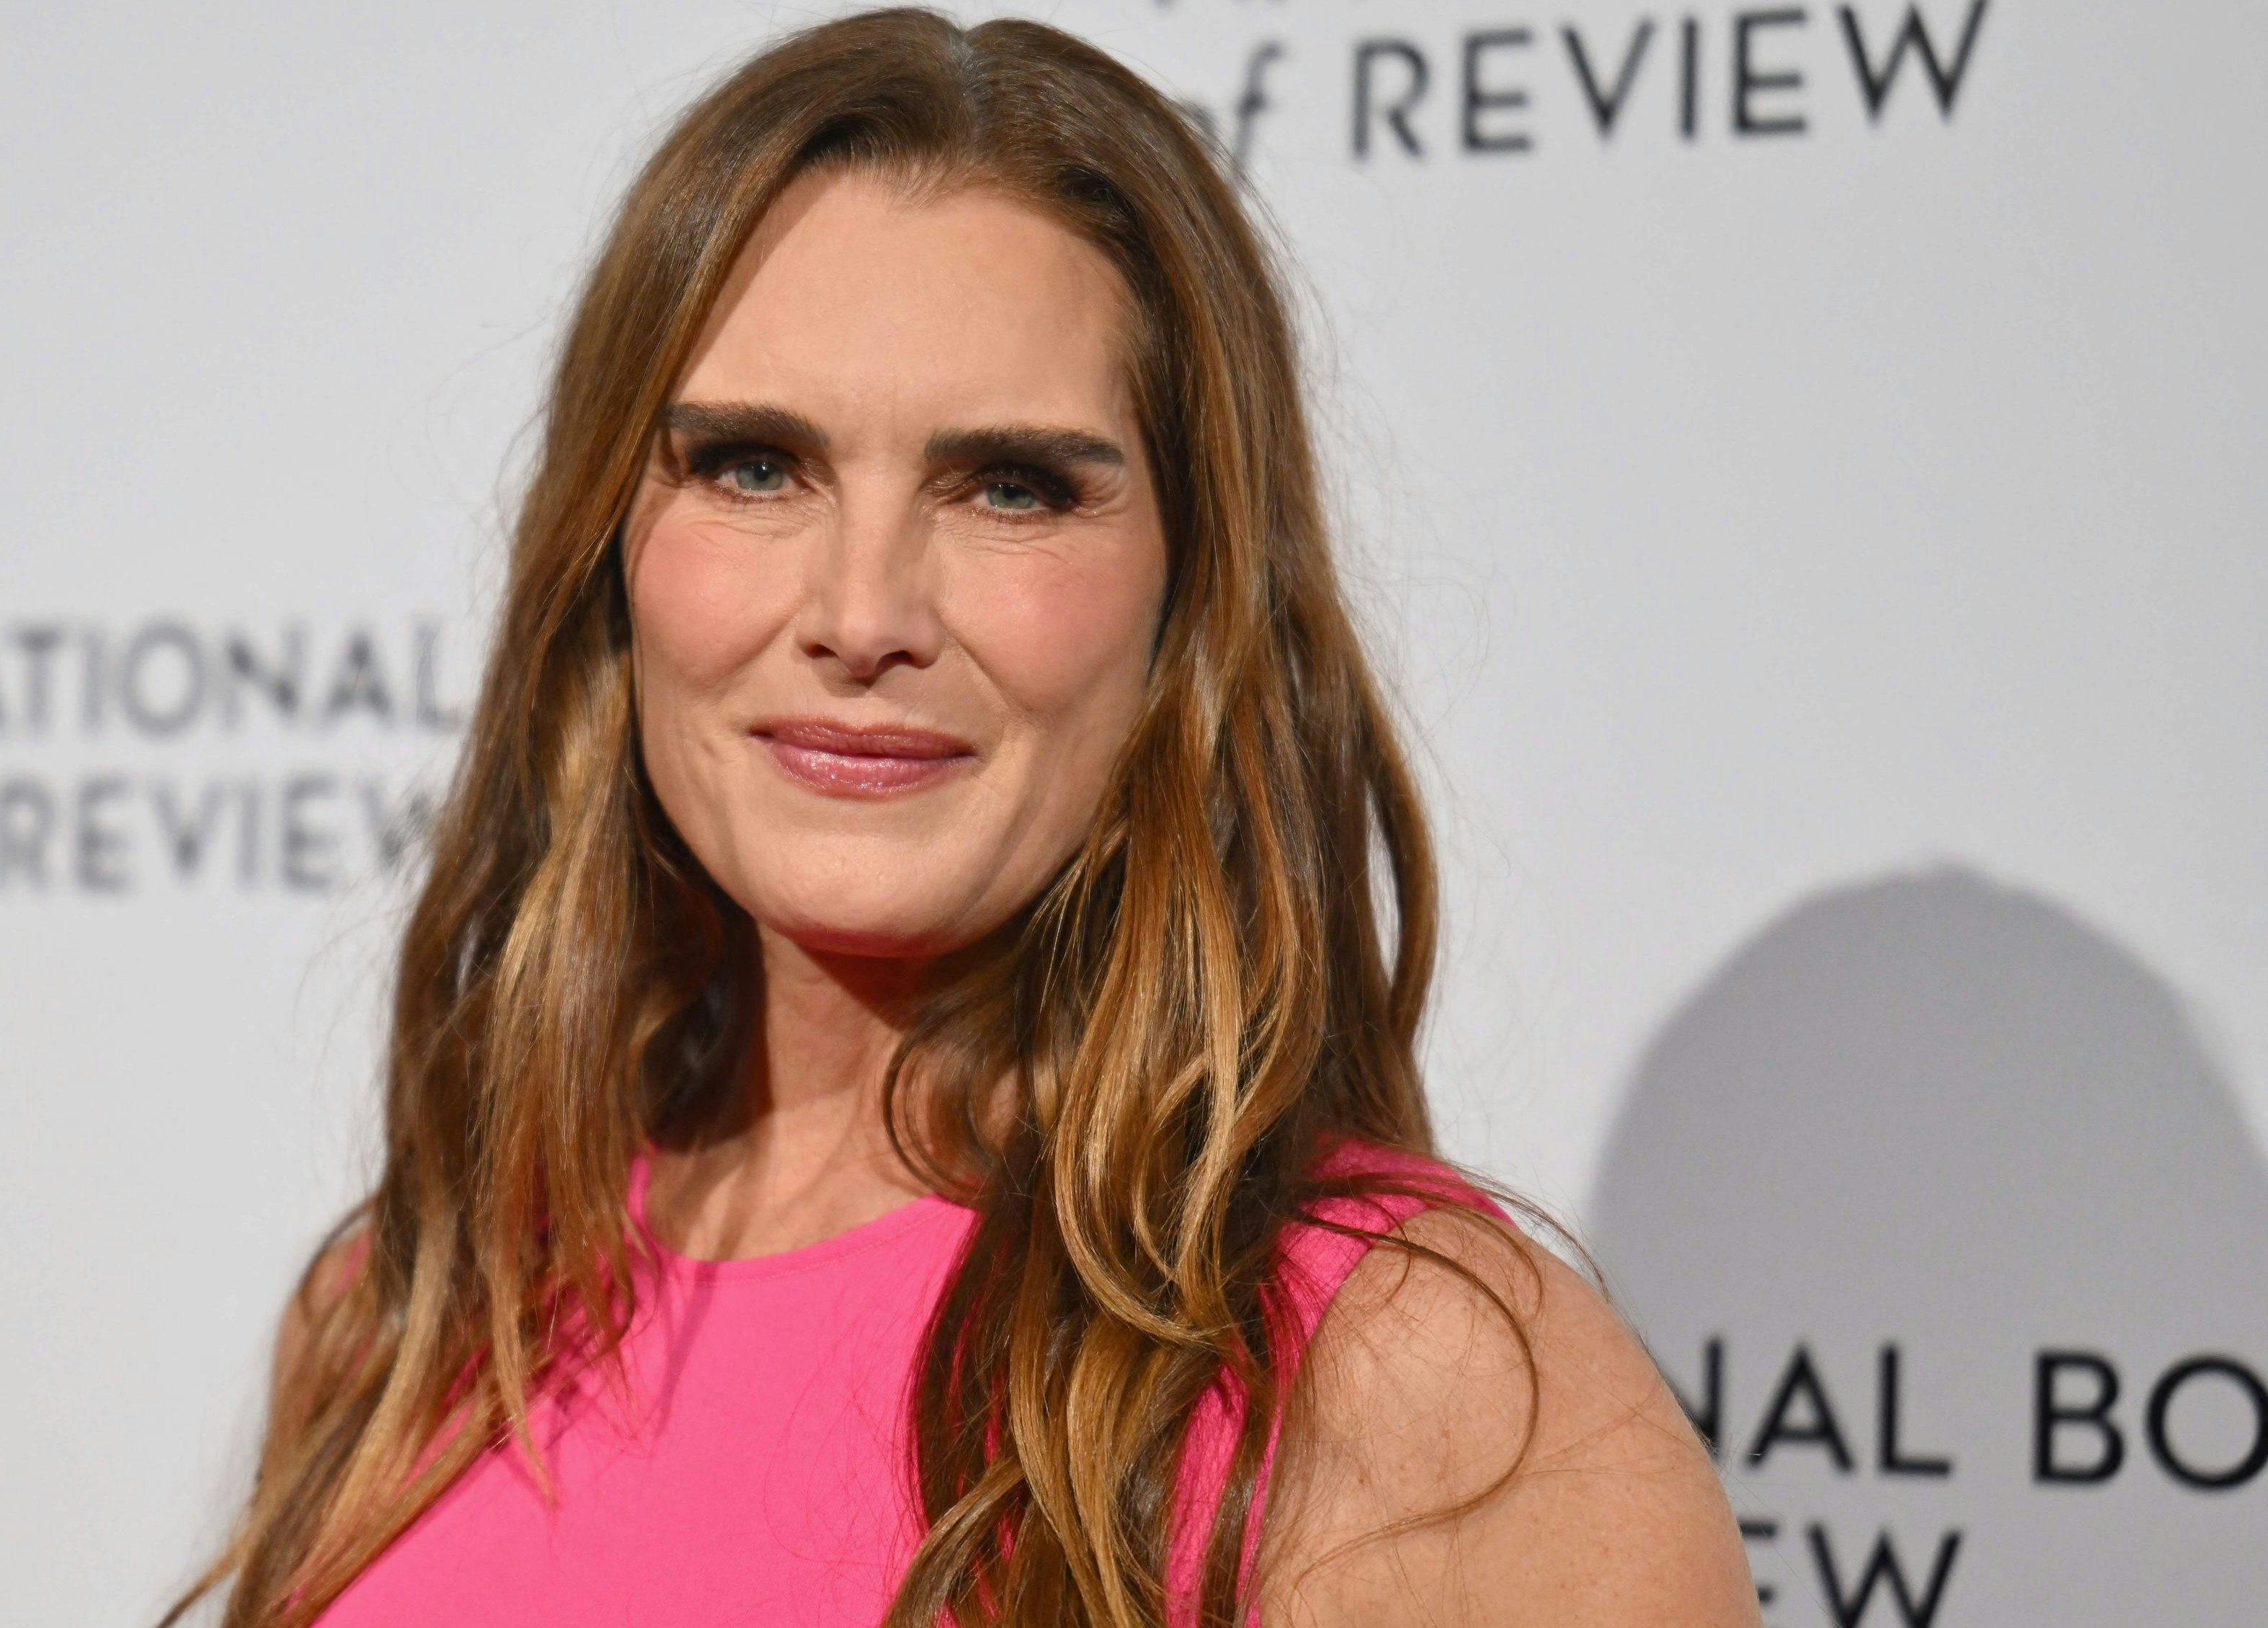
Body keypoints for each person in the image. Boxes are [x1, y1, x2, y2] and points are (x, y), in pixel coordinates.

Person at [169, 10, 1756, 1627]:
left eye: (1009, 487)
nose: (861, 615)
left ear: (1187, 602)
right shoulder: (405, 1319)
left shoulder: (1422, 1391)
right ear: (608, 553)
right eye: (750, 465)